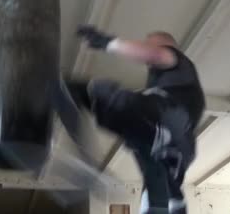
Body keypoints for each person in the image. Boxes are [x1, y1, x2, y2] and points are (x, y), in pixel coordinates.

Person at [65, 25, 206, 214]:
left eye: (150, 43)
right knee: (157, 188)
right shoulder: (168, 84)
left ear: (166, 44)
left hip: (165, 119)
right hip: (168, 143)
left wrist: (109, 43)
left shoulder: (179, 64)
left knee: (86, 91)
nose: (145, 49)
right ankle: (170, 204)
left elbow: (156, 55)